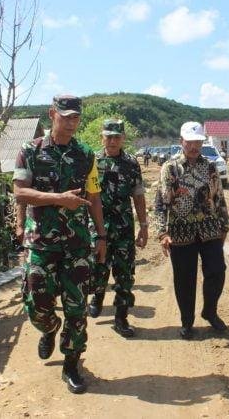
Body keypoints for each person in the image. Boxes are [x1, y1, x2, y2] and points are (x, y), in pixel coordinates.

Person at [13, 94, 106, 394]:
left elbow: (94, 197)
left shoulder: (87, 154)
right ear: (52, 114)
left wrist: (101, 236)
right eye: (65, 116)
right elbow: (20, 194)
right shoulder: (29, 151)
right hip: (41, 242)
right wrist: (58, 199)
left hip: (77, 244)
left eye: (76, 117)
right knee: (37, 303)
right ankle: (49, 327)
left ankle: (72, 364)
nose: (71, 122)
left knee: (77, 308)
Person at [155, 121, 229, 340]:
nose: (194, 147)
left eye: (198, 142)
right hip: (180, 232)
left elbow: (219, 197)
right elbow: (161, 202)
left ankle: (210, 311)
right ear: (182, 142)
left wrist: (225, 224)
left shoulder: (210, 167)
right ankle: (187, 322)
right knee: (184, 279)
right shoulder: (171, 168)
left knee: (217, 271)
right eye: (190, 142)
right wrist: (162, 232)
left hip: (210, 228)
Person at [88, 119, 148, 338]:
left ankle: (121, 318)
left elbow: (138, 195)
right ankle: (97, 296)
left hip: (123, 227)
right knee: (98, 268)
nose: (112, 141)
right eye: (108, 136)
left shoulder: (131, 163)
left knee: (124, 275)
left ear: (123, 138)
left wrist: (143, 225)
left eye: (117, 137)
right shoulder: (92, 160)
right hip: (98, 226)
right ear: (102, 137)